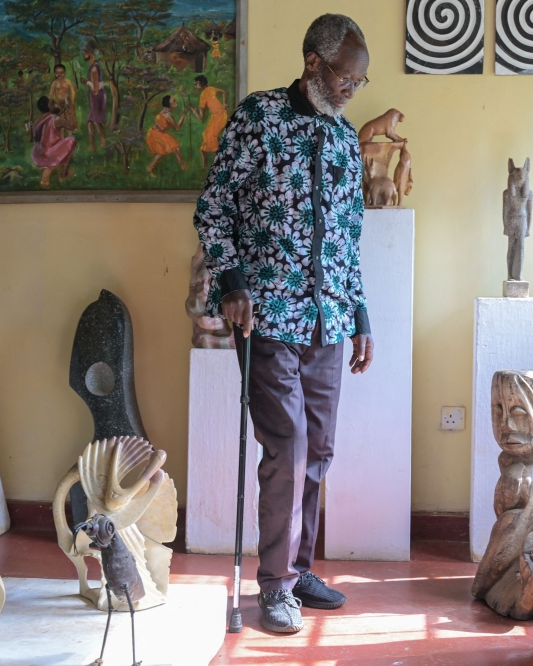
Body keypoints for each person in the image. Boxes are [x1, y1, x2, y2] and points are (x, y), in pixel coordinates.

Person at [193, 14, 373, 635]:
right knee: (288, 447)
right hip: (268, 316)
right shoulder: (259, 117)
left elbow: (348, 238)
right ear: (313, 62)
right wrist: (231, 282)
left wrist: (360, 314)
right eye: (345, 76)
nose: (352, 89)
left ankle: (298, 572)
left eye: (360, 81)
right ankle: (273, 585)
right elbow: (214, 206)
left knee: (318, 450)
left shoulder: (345, 139)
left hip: (328, 318)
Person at [31, 96, 77, 189]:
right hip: (49, 154)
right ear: (49, 106)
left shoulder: (38, 120)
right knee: (71, 140)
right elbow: (74, 127)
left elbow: (50, 121)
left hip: (37, 154)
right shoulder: (56, 119)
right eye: (53, 103)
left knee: (62, 148)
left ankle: (47, 178)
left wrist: (61, 112)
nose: (56, 105)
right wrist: (71, 113)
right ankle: (62, 174)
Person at [188, 75, 229, 171]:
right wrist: (224, 104)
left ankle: (221, 164)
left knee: (209, 136)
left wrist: (193, 110)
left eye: (196, 83)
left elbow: (201, 118)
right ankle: (204, 167)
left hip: (220, 117)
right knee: (205, 144)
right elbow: (223, 92)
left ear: (201, 83)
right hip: (218, 116)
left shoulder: (203, 96)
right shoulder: (211, 88)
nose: (195, 85)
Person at [145, 95, 188, 177]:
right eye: (173, 102)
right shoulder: (167, 116)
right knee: (162, 151)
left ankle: (183, 166)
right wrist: (183, 115)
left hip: (157, 133)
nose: (176, 102)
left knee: (174, 148)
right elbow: (177, 128)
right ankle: (150, 168)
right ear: (169, 105)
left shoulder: (163, 113)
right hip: (154, 134)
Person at [82, 43, 107, 151]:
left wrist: (86, 82)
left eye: (85, 52)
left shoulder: (94, 69)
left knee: (96, 121)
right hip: (96, 96)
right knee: (90, 121)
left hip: (97, 97)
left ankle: (103, 142)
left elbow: (96, 90)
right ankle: (93, 145)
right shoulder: (94, 66)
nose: (83, 54)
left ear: (91, 53)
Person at [49, 64, 77, 135]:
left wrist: (72, 102)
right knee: (60, 120)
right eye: (57, 73)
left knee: (69, 118)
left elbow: (73, 92)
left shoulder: (68, 81)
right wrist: (54, 104)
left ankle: (70, 136)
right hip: (59, 103)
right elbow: (51, 95)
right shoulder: (54, 83)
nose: (59, 75)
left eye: (61, 73)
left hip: (67, 102)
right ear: (54, 73)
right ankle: (61, 137)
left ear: (64, 72)